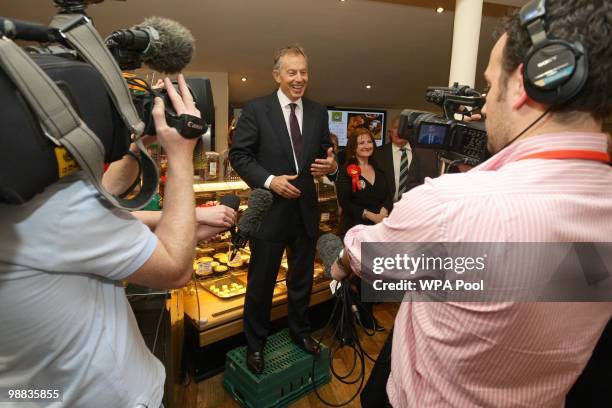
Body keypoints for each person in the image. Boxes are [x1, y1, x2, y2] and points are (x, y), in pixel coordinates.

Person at [333, 1, 612, 406]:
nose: (484, 105)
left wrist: (339, 259)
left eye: (490, 85)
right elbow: (528, 277)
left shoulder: (451, 206)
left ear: (524, 84)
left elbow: (367, 257)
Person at [0, 74, 236, 407]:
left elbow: (105, 197)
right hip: (98, 396)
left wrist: (137, 137)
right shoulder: (53, 208)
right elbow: (174, 268)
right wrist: (182, 153)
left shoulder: (22, 198)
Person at [229, 44, 337, 374]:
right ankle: (256, 344)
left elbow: (325, 156)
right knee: (261, 284)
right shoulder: (256, 109)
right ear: (277, 74)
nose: (299, 78)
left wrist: (330, 165)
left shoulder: (319, 112)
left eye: (304, 71)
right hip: (270, 212)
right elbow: (240, 157)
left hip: (305, 212)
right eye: (292, 72)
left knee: (301, 280)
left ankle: (300, 332)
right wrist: (271, 180)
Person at [335, 127, 391, 331]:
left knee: (371, 277)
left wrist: (384, 211)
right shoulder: (346, 169)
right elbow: (346, 202)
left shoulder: (379, 166)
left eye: (369, 142)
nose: (367, 145)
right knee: (352, 278)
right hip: (356, 230)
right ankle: (346, 324)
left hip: (378, 231)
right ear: (353, 147)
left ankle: (368, 318)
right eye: (361, 143)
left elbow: (388, 192)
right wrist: (371, 215)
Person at [373, 115, 439, 203]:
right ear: (390, 131)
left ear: (409, 132)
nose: (399, 132)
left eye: (402, 128)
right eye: (396, 127)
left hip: (415, 207)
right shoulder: (377, 154)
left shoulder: (425, 154)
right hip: (384, 209)